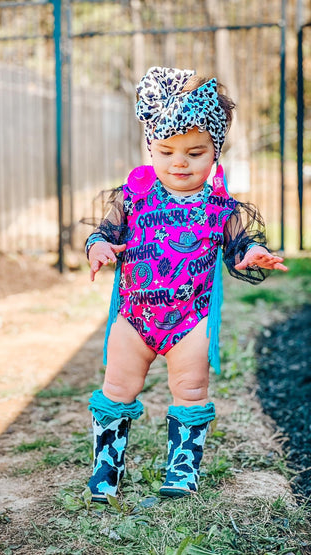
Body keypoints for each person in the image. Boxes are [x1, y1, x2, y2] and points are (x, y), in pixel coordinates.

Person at [84, 66, 288, 503]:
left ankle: (182, 467)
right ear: (150, 149)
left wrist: (253, 254)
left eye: (195, 153)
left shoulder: (220, 206)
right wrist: (98, 247)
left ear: (215, 152)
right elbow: (103, 232)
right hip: (133, 316)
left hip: (189, 321)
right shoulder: (134, 196)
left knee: (191, 390)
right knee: (117, 388)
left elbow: (239, 244)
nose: (180, 162)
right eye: (167, 151)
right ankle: (106, 466)